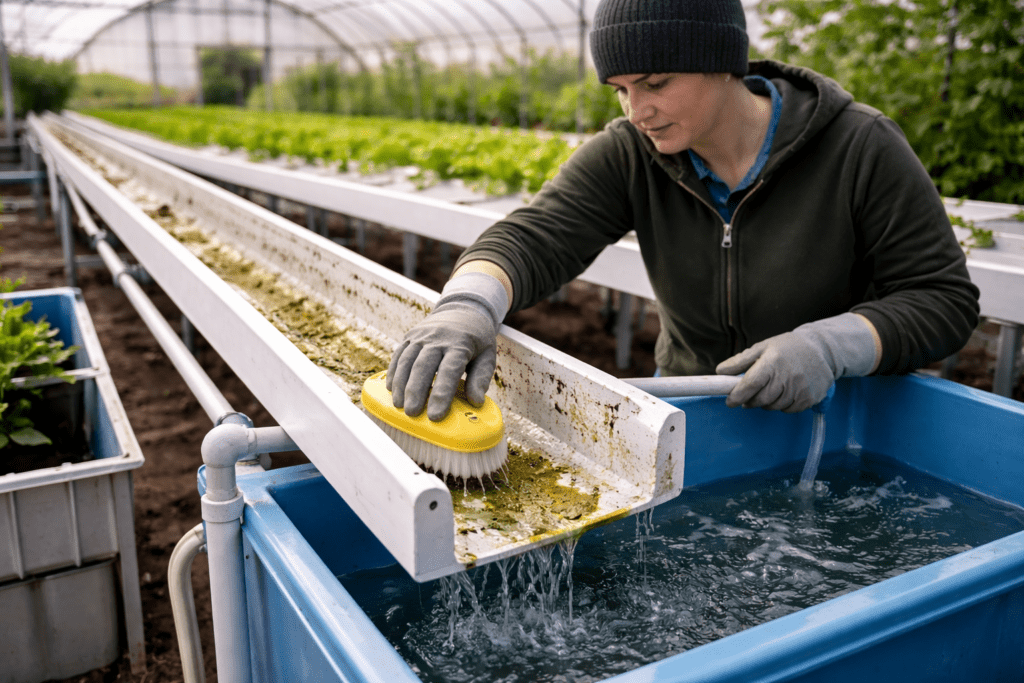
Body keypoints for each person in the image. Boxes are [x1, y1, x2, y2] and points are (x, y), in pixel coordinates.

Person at [386, 0, 980, 422]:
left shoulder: (858, 146)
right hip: (695, 403)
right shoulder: (631, 153)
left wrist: (828, 348)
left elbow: (942, 298)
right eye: (620, 89)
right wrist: (466, 307)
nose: (636, 109)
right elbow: (536, 236)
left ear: (724, 63)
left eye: (656, 82)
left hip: (840, 415)